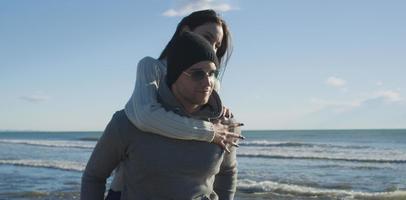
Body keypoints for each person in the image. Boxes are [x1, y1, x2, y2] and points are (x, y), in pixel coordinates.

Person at [81, 31, 240, 200]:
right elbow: (94, 176)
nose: (208, 82)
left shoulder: (225, 125)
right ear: (174, 75)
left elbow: (228, 172)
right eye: (197, 74)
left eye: (212, 73)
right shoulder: (128, 122)